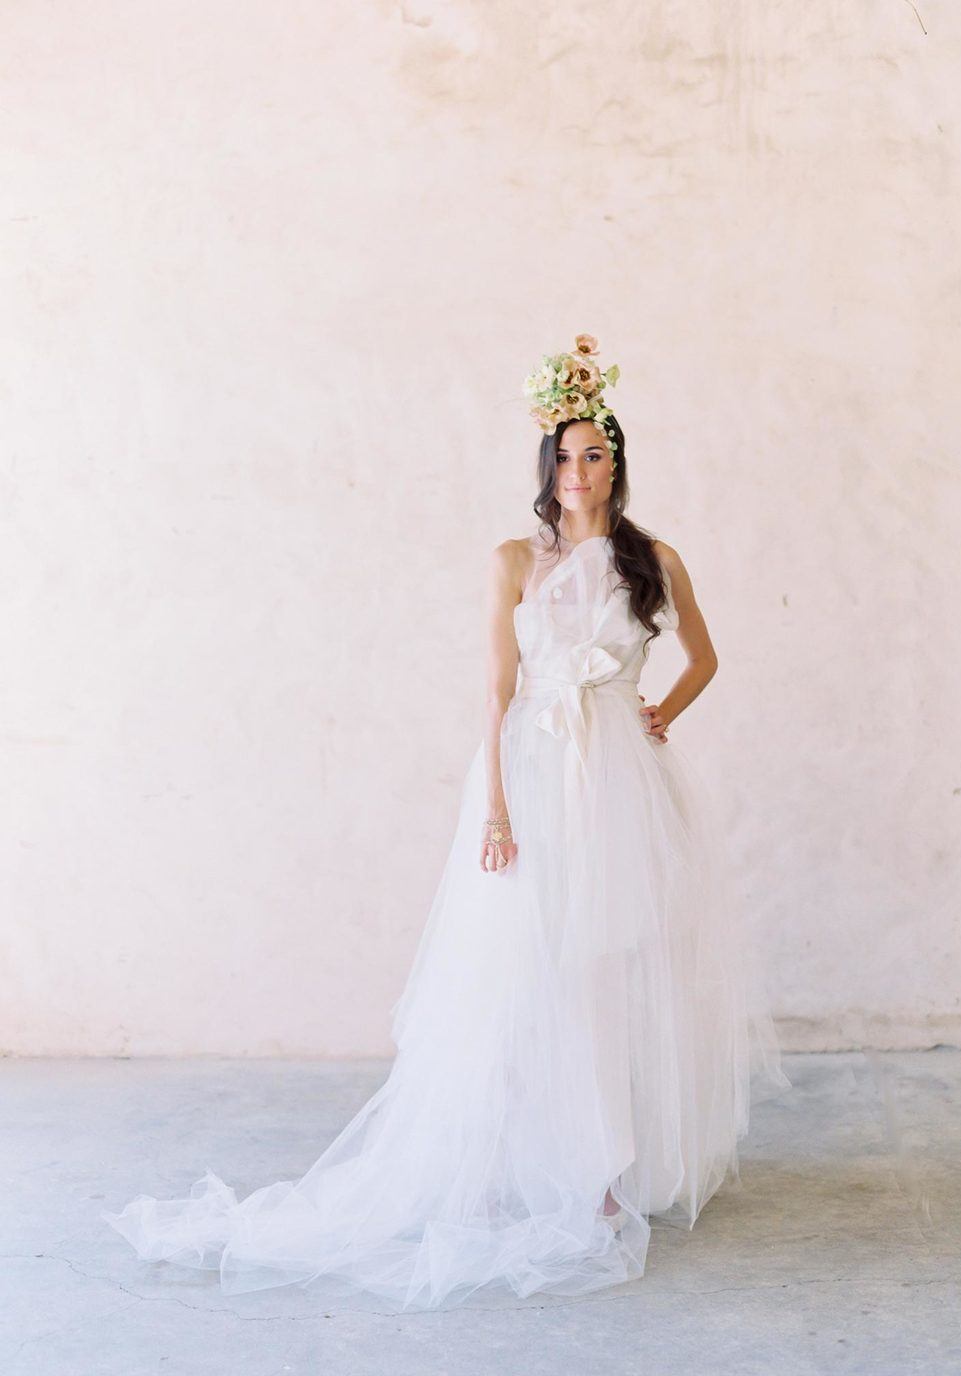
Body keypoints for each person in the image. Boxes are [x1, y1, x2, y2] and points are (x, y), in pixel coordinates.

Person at [101, 332, 791, 1311]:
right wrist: (499, 809)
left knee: (610, 964)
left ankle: (604, 1166)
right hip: (535, 776)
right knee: (527, 963)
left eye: (596, 453)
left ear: (618, 464)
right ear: (545, 464)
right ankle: (524, 1149)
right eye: (565, 453)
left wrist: (658, 715)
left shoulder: (654, 558)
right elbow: (498, 690)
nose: (580, 469)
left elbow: (705, 660)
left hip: (621, 782)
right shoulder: (514, 557)